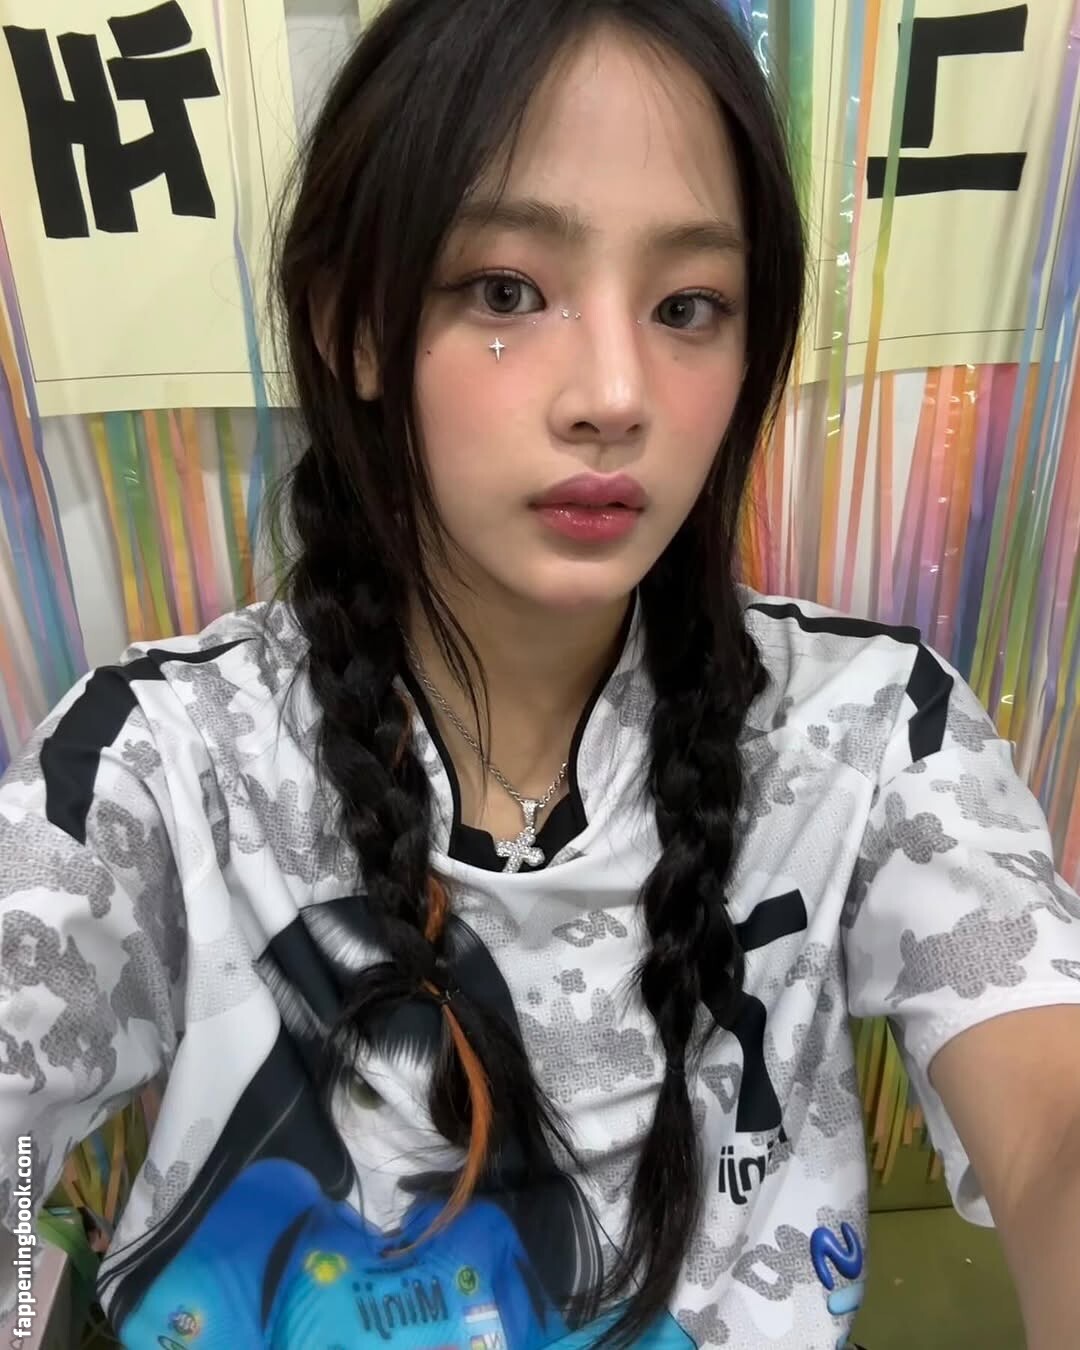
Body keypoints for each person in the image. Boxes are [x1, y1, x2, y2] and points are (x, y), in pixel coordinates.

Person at [1, 0, 1078, 1346]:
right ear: (353, 323)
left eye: (688, 306)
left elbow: (1053, 1121)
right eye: (506, 290)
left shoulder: (869, 731)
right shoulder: (156, 764)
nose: (615, 393)